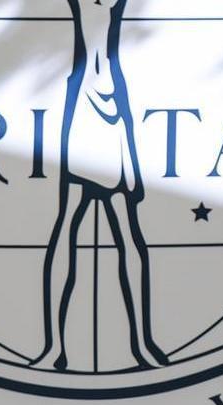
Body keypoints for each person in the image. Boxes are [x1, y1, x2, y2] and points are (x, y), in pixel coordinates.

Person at [34, 0, 168, 371]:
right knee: (66, 230)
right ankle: (54, 347)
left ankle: (142, 344)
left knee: (128, 234)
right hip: (81, 106)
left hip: (110, 106)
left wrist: (133, 153)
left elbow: (115, 68)